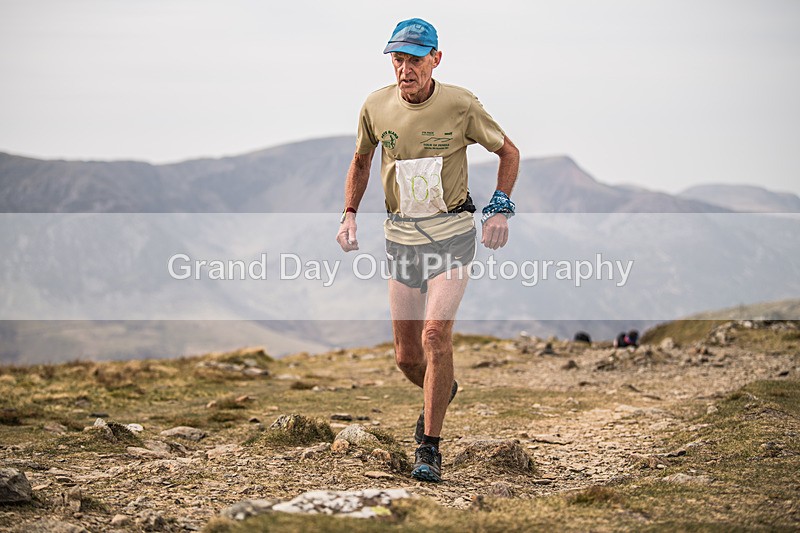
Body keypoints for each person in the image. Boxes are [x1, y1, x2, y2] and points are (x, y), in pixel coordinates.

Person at [336, 18, 520, 483]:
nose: (405, 70)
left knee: (435, 335)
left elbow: (509, 152)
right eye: (397, 60)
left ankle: (429, 447)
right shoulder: (375, 106)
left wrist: (500, 207)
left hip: (452, 233)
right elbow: (361, 160)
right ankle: (443, 387)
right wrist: (349, 213)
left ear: (435, 59)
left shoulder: (460, 104)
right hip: (401, 237)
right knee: (407, 357)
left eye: (414, 60)